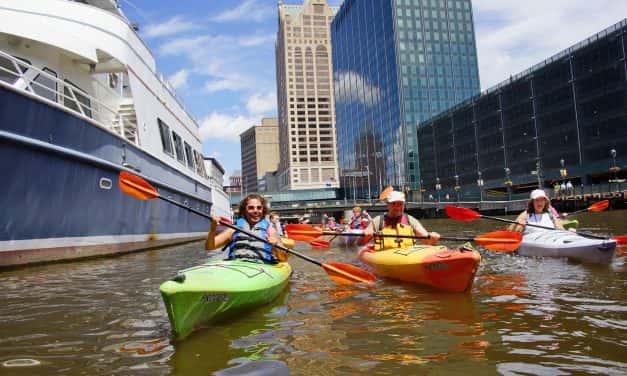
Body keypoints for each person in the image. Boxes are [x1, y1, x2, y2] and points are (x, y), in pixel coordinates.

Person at [207, 193, 287, 263]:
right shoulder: (234, 229)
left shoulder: (270, 230)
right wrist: (213, 229)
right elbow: (210, 247)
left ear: (263, 210)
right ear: (244, 210)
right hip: (236, 266)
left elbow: (284, 259)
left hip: (261, 268)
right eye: (251, 208)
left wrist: (276, 245)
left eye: (259, 208)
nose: (255, 211)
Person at [364, 191, 440, 250]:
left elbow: (426, 240)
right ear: (388, 205)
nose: (397, 207)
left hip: (408, 258)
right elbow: (360, 243)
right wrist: (366, 236)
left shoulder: (410, 220)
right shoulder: (378, 221)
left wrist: (432, 238)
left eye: (400, 204)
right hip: (384, 257)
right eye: (393, 204)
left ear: (404, 205)